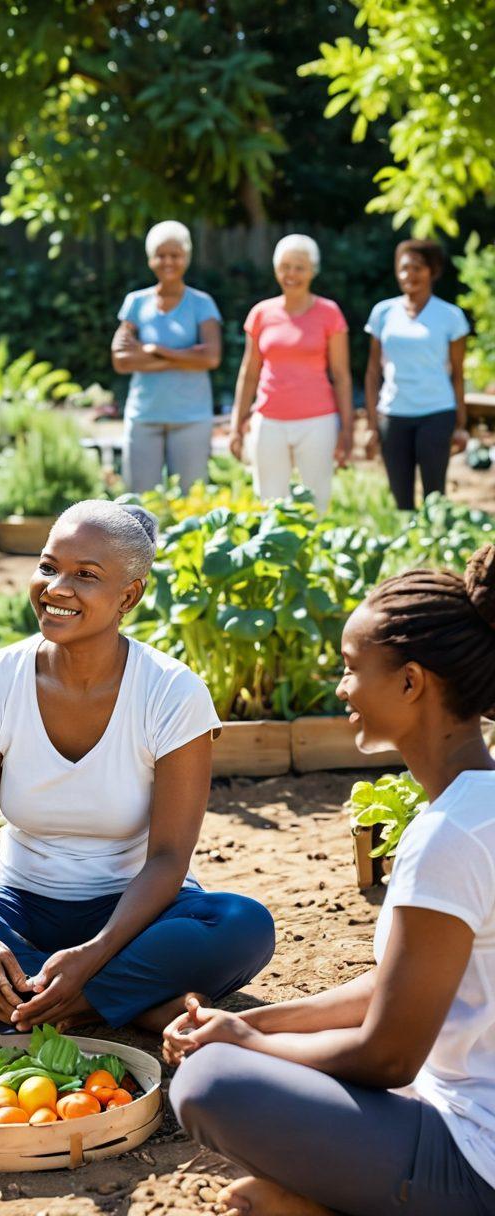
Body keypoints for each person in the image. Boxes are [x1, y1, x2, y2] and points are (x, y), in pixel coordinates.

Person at [0, 500, 274, 1037]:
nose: (56, 587)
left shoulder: (171, 691)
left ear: (129, 596)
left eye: (85, 576)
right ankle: (118, 1001)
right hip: (19, 908)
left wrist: (93, 955)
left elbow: (167, 859)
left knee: (242, 926)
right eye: (48, 567)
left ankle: (19, 997)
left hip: (139, 915)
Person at [166, 544, 495, 1216]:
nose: (340, 689)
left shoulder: (449, 837)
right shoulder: (475, 809)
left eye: (351, 670)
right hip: (456, 1107)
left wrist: (254, 1046)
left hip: (476, 1159)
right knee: (235, 1057)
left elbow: (388, 1058)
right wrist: (250, 1021)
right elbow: (400, 985)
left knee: (210, 1084)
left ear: (410, 683)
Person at [229, 234, 353, 514]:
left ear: (312, 271)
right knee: (270, 503)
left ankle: (314, 556)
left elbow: (342, 375)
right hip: (269, 421)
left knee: (316, 502)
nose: (291, 274)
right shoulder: (261, 313)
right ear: (276, 270)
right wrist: (237, 424)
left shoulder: (329, 313)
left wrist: (347, 429)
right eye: (285, 266)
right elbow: (249, 373)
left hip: (317, 421)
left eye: (299, 267)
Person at [112, 221, 222, 494]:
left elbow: (210, 358)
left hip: (191, 417)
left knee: (190, 501)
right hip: (144, 415)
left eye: (176, 255)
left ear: (187, 257)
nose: (168, 261)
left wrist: (152, 350)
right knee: (137, 504)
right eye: (161, 255)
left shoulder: (202, 303)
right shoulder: (135, 303)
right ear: (151, 259)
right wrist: (184, 358)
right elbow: (122, 360)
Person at [364, 238, 469, 510]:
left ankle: (435, 545)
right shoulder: (383, 313)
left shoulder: (451, 316)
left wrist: (460, 422)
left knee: (435, 496)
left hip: (437, 412)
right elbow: (373, 370)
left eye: (418, 268)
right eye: (404, 268)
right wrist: (373, 423)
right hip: (394, 414)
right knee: (401, 499)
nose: (410, 275)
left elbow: (458, 373)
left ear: (432, 271)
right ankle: (408, 546)